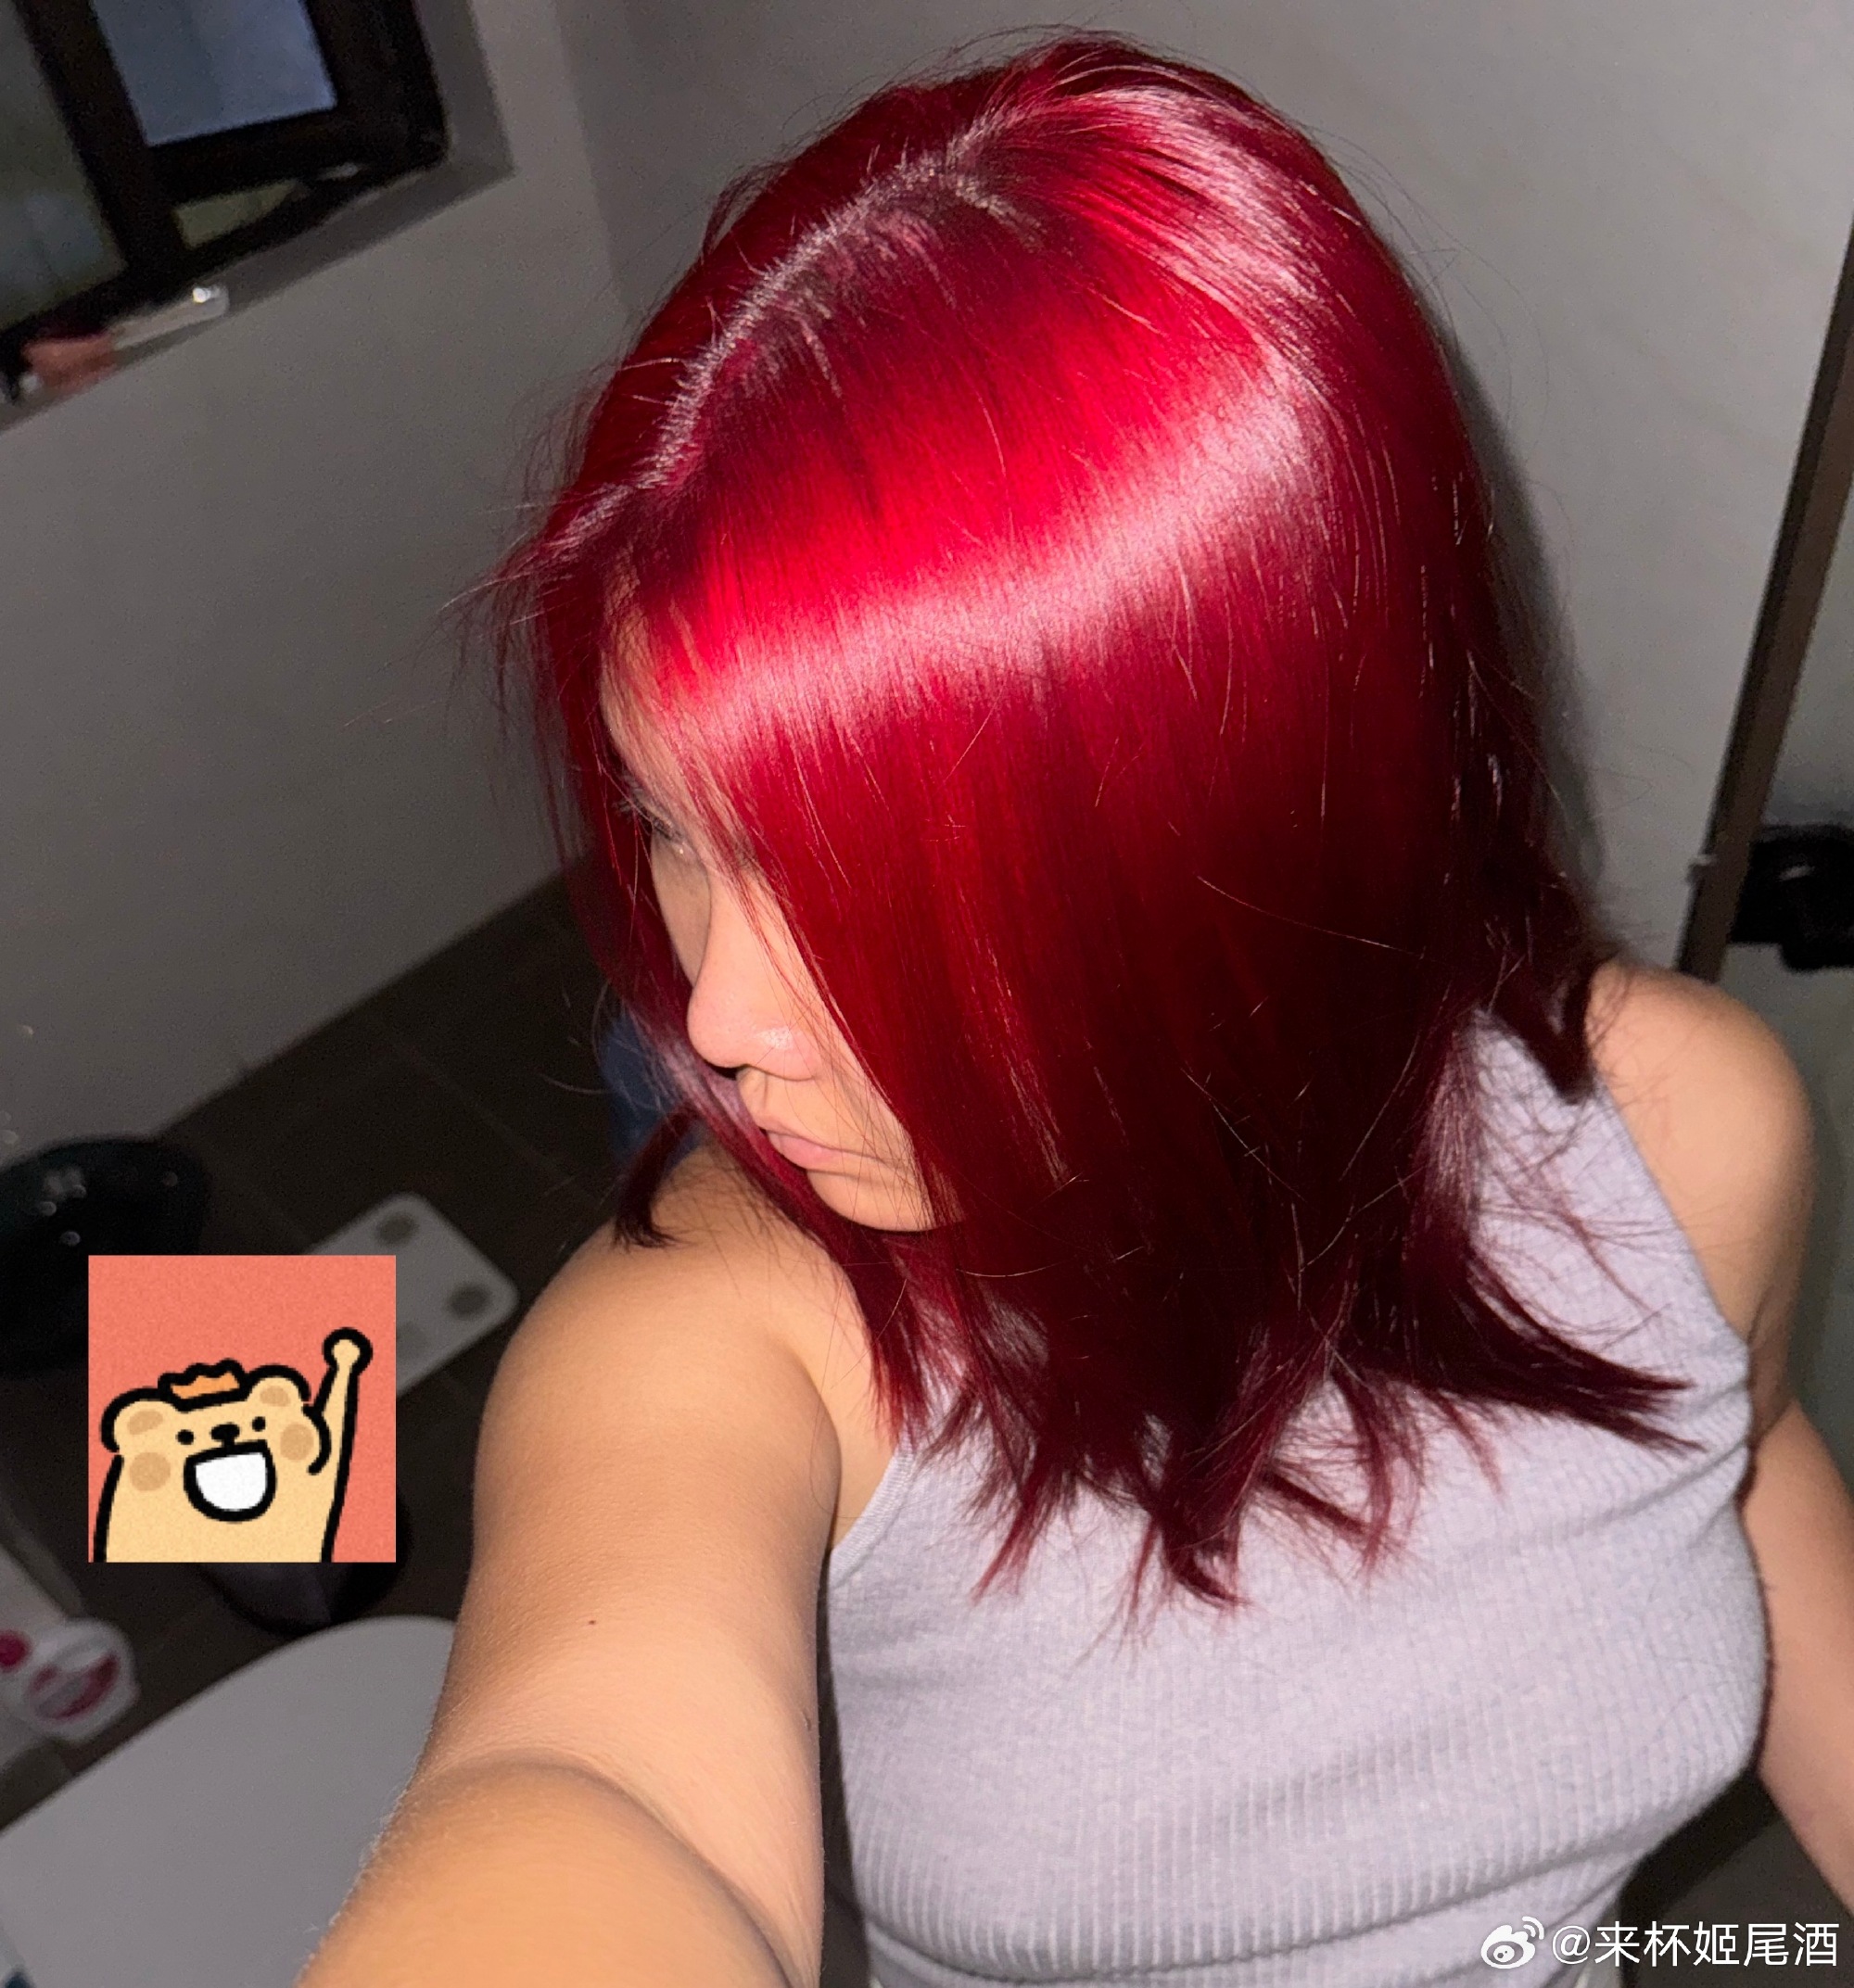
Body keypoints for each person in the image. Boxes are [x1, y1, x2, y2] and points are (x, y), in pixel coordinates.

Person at [299, 34, 1854, 1988]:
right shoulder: (703, 1347)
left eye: (882, 893)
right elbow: (587, 1783)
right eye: (673, 827)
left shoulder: (1682, 1127)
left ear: (1250, 839)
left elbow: (1740, 1469)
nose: (720, 1013)